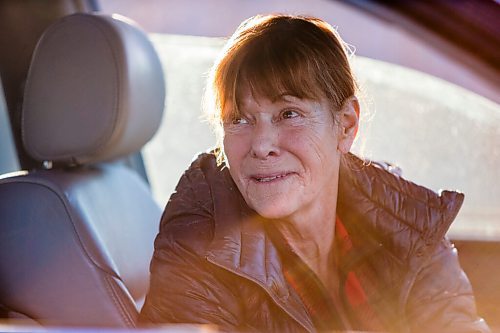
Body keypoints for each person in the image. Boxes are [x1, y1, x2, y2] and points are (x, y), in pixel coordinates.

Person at [139, 14, 489, 332]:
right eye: (239, 120)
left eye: (288, 114)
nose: (261, 145)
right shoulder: (199, 243)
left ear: (346, 125)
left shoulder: (406, 223)